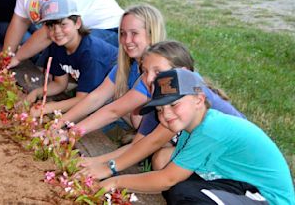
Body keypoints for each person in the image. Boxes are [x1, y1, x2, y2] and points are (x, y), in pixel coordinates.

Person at [100, 68, 295, 205]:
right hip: (242, 184)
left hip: (269, 198)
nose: (166, 114)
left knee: (183, 193)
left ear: (199, 100)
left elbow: (167, 179)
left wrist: (115, 181)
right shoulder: (192, 128)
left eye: (173, 104)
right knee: (179, 185)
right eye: (160, 109)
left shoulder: (211, 129)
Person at [79, 41, 246, 180]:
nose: (149, 78)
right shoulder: (161, 101)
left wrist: (109, 169)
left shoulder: (187, 96)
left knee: (162, 159)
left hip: (237, 161)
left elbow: (152, 142)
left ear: (182, 72)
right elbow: (139, 144)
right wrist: (95, 161)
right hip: (210, 152)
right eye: (144, 71)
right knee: (161, 159)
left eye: (158, 71)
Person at [54, 4, 166, 134]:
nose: (127, 40)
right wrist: (58, 124)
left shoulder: (154, 73)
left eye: (134, 33)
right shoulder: (128, 65)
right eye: (123, 33)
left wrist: (69, 134)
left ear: (152, 34)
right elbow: (96, 97)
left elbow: (113, 111)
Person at [4, 0, 123, 69]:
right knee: (45, 70)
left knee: (69, 46)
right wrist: (6, 56)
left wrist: (17, 58)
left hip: (109, 31)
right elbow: (20, 20)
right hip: (69, 30)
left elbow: (47, 34)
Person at [27, 0, 117, 116]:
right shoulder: (57, 46)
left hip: (116, 94)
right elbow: (60, 83)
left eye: (63, 24)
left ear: (77, 23)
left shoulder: (91, 53)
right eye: (51, 26)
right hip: (91, 92)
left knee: (83, 122)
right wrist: (37, 92)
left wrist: (48, 107)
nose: (57, 31)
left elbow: (84, 100)